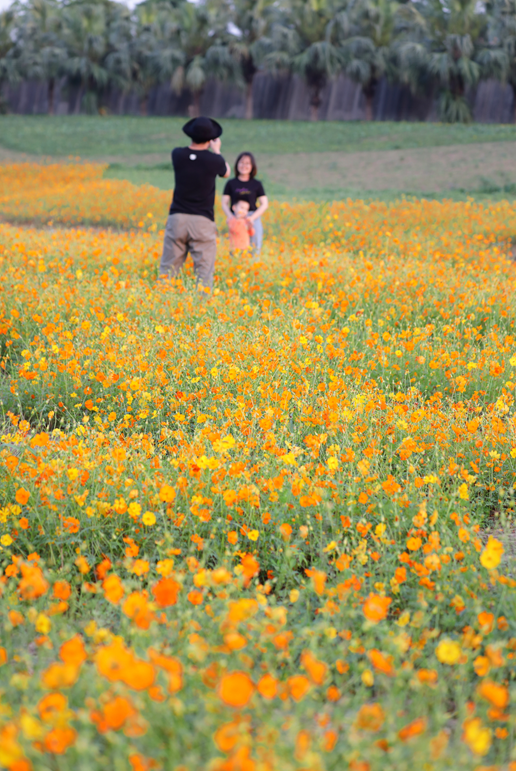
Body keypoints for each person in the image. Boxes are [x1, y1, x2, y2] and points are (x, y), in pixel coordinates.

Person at [159, 116, 230, 291]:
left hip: (177, 218)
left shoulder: (177, 154)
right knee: (204, 272)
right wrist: (217, 150)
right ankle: (201, 311)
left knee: (168, 271)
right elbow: (226, 173)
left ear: (190, 134)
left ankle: (161, 305)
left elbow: (193, 157)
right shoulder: (214, 160)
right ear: (210, 139)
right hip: (202, 221)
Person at [221, 152, 268, 253]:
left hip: (252, 217)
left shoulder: (257, 184)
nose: (244, 166)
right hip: (236, 217)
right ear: (237, 164)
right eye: (241, 162)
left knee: (255, 246)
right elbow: (224, 203)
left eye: (247, 163)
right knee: (235, 246)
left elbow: (264, 204)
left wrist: (252, 218)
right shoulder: (231, 183)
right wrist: (230, 217)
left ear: (252, 166)